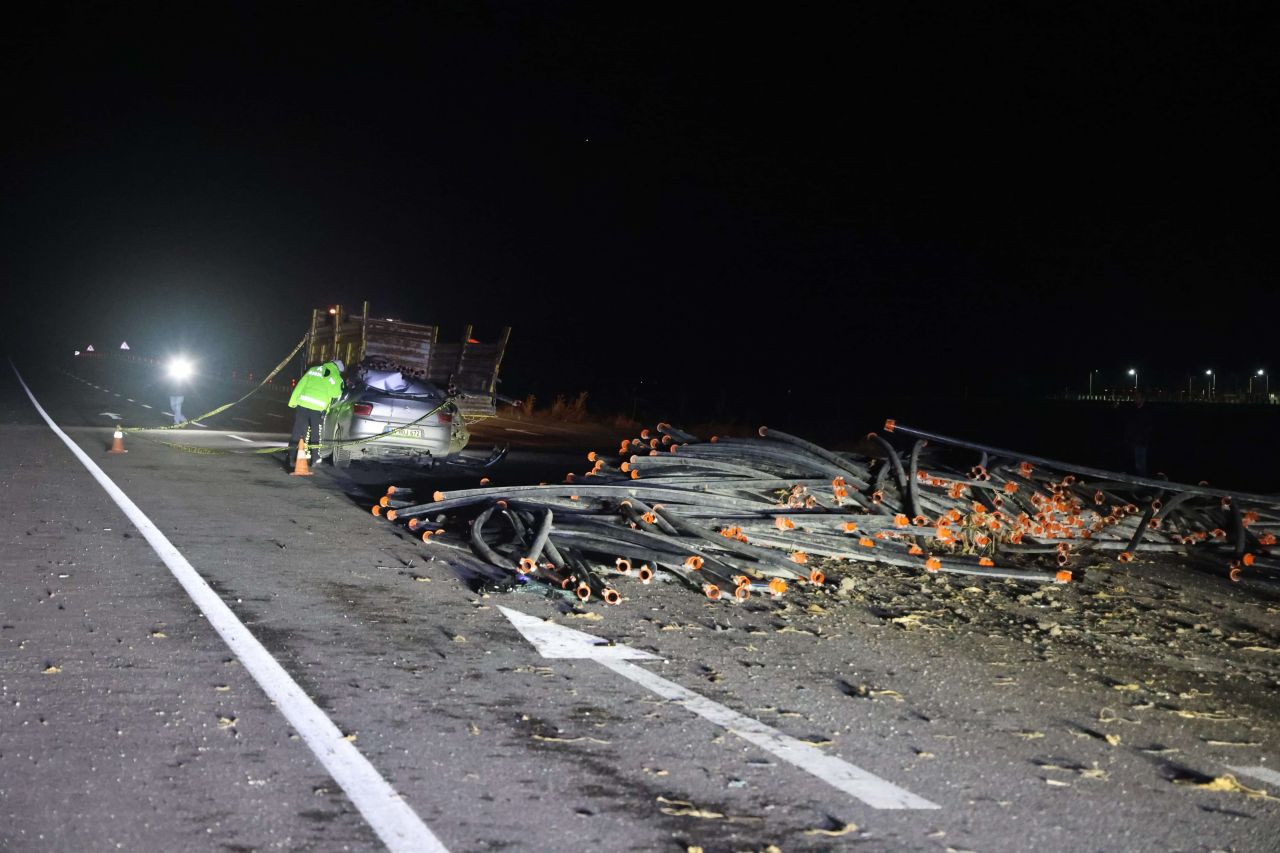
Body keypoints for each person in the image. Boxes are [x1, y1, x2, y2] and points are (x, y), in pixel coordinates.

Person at [287, 358, 344, 469]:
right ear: (338, 369)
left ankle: (291, 456)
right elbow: (336, 394)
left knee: (298, 431)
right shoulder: (336, 377)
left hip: (302, 405)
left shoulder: (313, 370)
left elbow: (300, 385)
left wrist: (292, 402)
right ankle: (315, 458)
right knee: (315, 434)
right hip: (317, 409)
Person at [1122, 390, 1153, 476]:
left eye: (1137, 397)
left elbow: (1147, 429)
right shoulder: (1133, 410)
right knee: (1134, 465)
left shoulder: (1146, 412)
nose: (1135, 399)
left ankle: (1143, 485)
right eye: (1135, 397)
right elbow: (1129, 425)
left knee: (1141, 466)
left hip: (1141, 443)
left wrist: (1140, 439)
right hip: (1132, 442)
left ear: (1142, 399)